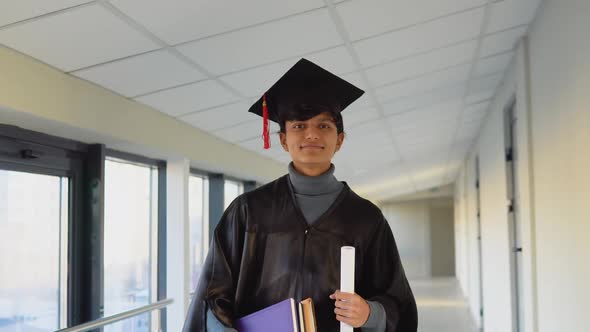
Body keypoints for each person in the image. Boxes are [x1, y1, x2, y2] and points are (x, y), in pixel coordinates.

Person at [182, 58, 418, 332]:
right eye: (298, 126)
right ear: (283, 139)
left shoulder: (366, 218)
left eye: (323, 126)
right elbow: (212, 297)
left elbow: (397, 301)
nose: (311, 135)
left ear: (339, 140)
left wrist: (370, 313)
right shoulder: (248, 211)